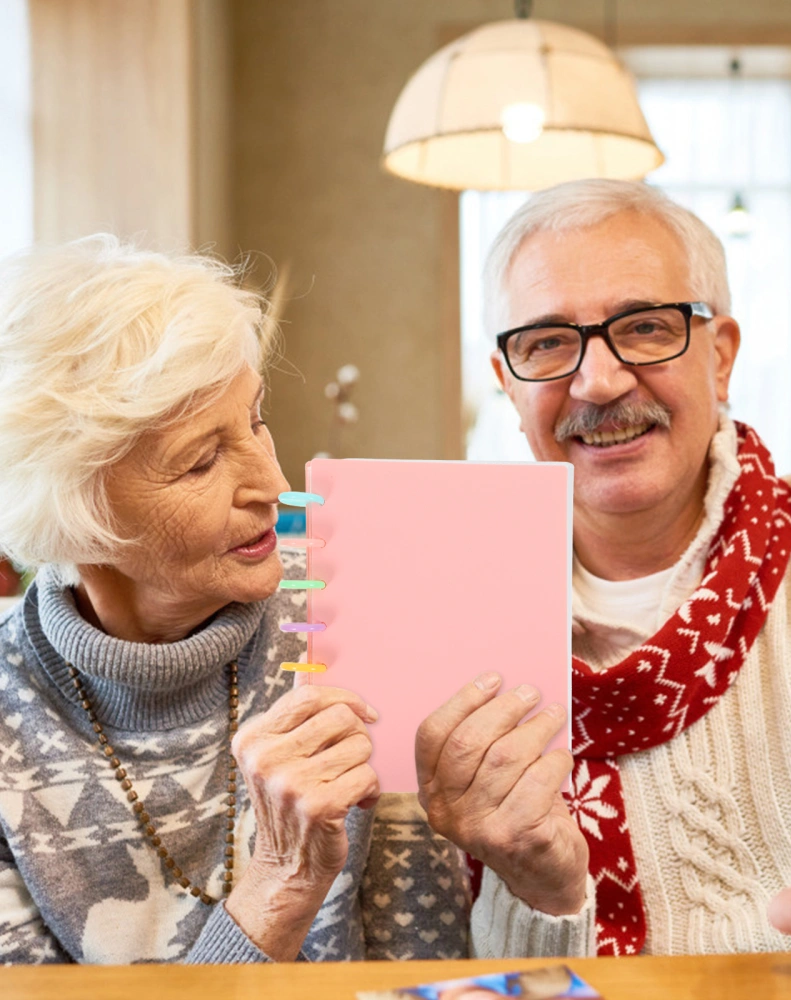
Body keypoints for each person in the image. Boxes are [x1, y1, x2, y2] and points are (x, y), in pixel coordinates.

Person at [416, 180, 791, 997]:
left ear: (719, 354)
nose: (598, 382)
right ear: (509, 385)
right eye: (548, 343)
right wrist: (545, 890)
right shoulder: (453, 622)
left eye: (645, 327)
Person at [0, 236, 572, 964]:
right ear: (78, 518)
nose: (272, 484)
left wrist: (541, 872)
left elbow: (437, 974)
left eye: (257, 420)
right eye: (201, 460)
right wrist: (280, 884)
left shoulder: (356, 611)